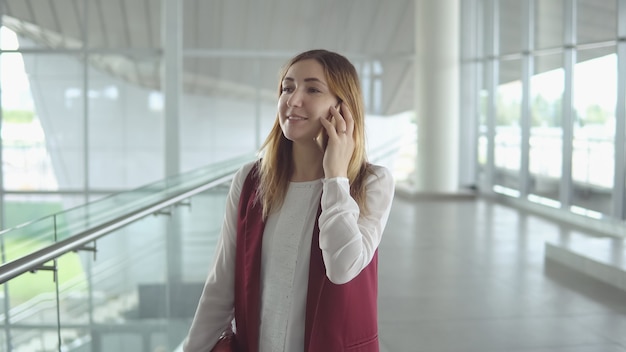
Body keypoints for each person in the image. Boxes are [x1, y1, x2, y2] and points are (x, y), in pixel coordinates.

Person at [183, 49, 395, 352]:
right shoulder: (250, 180)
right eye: (287, 87)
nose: (293, 100)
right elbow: (221, 287)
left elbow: (342, 267)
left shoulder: (373, 182)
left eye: (312, 89)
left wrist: (335, 176)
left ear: (342, 107)